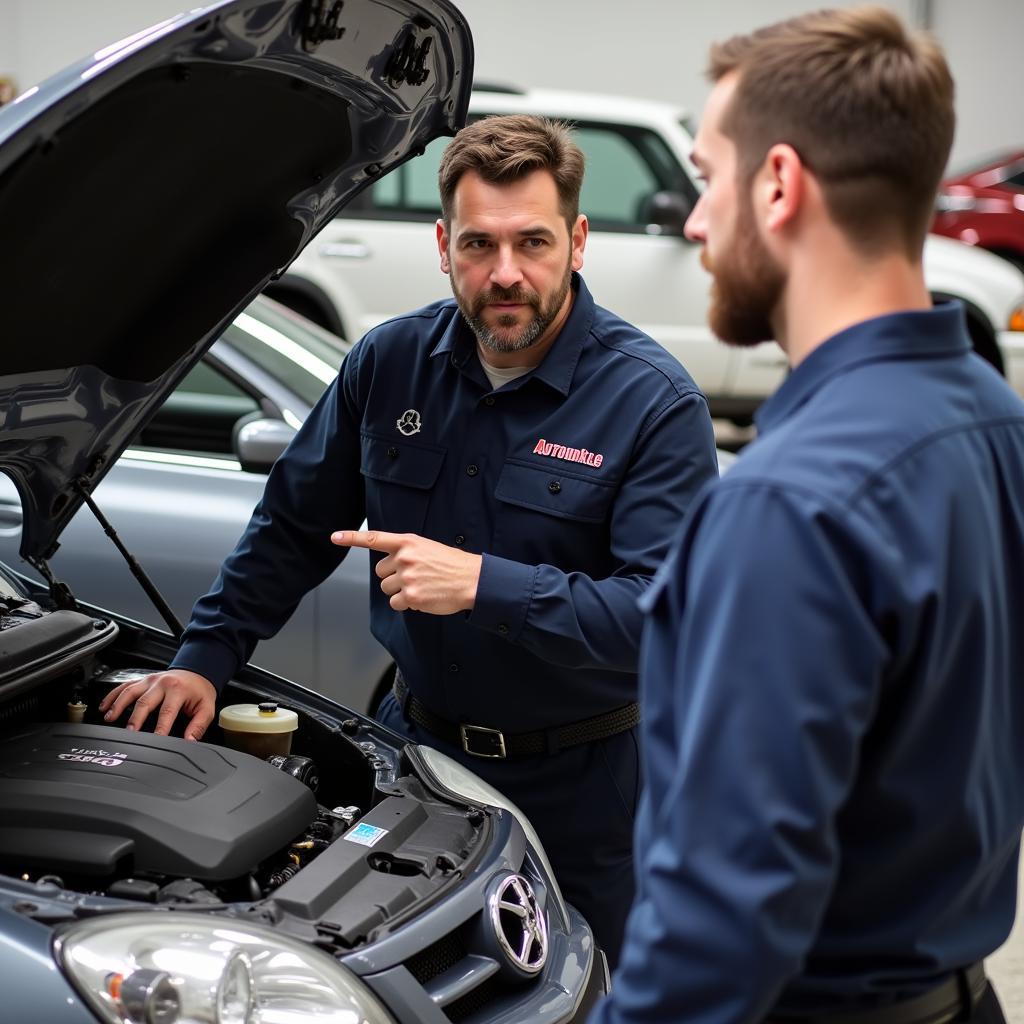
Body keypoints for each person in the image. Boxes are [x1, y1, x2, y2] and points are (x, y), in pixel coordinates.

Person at [99, 114, 720, 967]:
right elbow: (291, 527)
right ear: (441, 244)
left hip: (590, 791)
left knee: (586, 989)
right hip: (415, 761)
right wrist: (203, 657)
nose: (506, 274)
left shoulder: (653, 403)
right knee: (404, 983)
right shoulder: (389, 363)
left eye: (533, 242)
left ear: (578, 240)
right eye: (479, 244)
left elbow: (670, 622)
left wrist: (485, 583)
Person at [592, 7, 1024, 1023]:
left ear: (778, 184)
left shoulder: (784, 506)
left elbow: (715, 937)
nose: (694, 220)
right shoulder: (996, 422)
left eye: (706, 175)